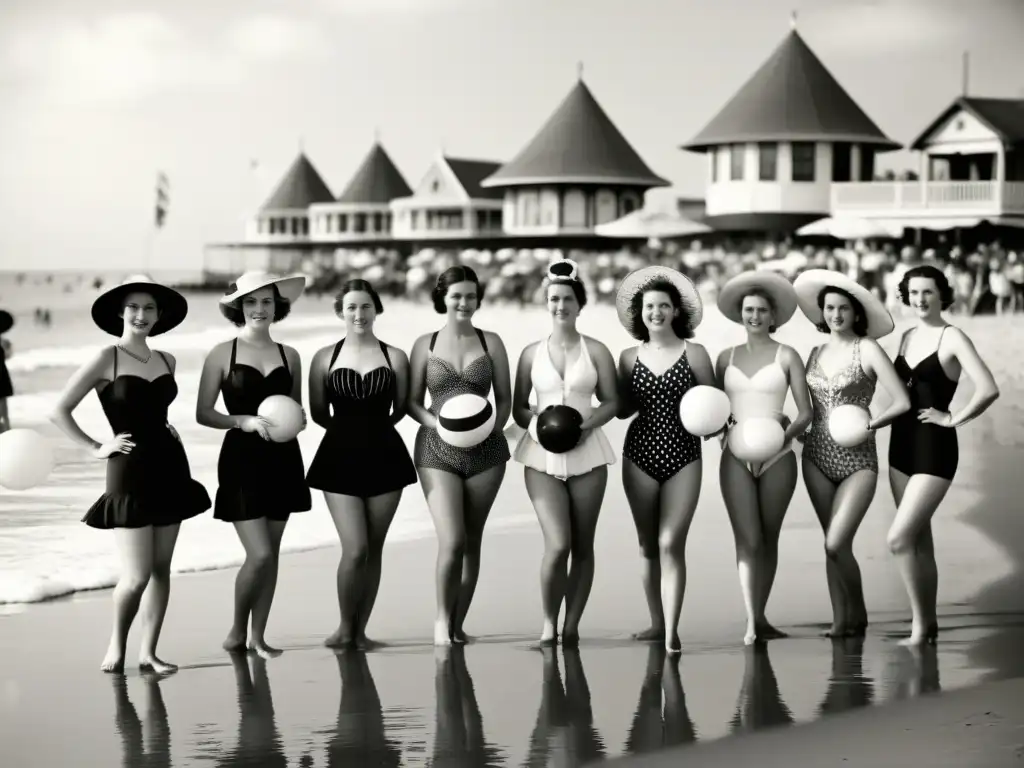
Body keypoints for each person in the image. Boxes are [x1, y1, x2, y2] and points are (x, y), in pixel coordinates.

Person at [49, 275, 210, 673]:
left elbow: (157, 410)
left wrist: (165, 427)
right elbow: (58, 411)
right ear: (120, 312)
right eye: (134, 307)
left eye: (149, 308)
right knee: (136, 575)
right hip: (128, 468)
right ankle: (116, 646)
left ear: (159, 315)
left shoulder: (167, 359)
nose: (141, 315)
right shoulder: (108, 356)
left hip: (170, 464)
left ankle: (149, 652)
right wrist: (96, 448)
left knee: (160, 571)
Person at [196, 271, 312, 658]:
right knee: (259, 554)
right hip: (241, 459)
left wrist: (299, 419)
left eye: (266, 302)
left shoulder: (289, 355)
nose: (259, 309)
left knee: (272, 555)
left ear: (277, 307)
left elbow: (296, 411)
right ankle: (235, 632)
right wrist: (240, 421)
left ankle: (258, 636)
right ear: (238, 307)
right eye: (250, 302)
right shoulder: (221, 353)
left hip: (283, 458)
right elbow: (203, 413)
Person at [793, 269, 911, 638]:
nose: (836, 315)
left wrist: (871, 425)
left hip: (859, 460)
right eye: (829, 308)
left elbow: (902, 401)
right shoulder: (814, 351)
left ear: (856, 313)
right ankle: (840, 618)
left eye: (843, 308)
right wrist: (792, 432)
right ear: (821, 312)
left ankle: (857, 610)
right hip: (815, 456)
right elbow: (808, 410)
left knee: (836, 542)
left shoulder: (869, 348)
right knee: (831, 543)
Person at [887, 264, 1000, 645]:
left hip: (935, 447)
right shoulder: (904, 337)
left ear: (941, 295)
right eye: (914, 292)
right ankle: (926, 624)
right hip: (899, 446)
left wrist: (952, 418)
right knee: (919, 539)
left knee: (898, 539)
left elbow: (987, 388)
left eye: (928, 292)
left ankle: (920, 628)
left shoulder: (953, 337)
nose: (920, 299)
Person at [512, 259, 618, 646]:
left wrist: (583, 426)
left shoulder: (598, 351)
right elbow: (519, 407)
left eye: (568, 298)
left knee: (583, 545)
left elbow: (612, 401)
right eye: (554, 298)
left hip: (588, 453)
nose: (561, 305)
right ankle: (547, 623)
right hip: (541, 458)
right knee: (558, 544)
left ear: (580, 303)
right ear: (546, 303)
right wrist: (537, 424)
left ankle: (571, 625)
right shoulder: (529, 353)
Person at [306, 279, 416, 649]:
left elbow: (400, 408)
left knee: (374, 548)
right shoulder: (324, 357)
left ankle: (361, 630)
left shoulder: (395, 356)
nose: (359, 314)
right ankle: (343, 627)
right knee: (355, 548)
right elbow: (319, 412)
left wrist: (373, 433)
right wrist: (351, 434)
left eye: (366, 306)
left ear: (376, 309)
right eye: (351, 307)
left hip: (386, 455)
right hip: (338, 457)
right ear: (341, 311)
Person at [408, 265, 512, 646]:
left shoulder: (492, 342)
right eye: (456, 296)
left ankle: (457, 623)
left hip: (487, 451)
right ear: (443, 298)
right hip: (436, 449)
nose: (464, 303)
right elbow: (410, 403)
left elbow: (505, 401)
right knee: (451, 540)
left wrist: (489, 428)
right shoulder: (425, 344)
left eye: (470, 295)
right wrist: (438, 425)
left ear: (478, 298)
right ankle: (440, 622)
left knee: (472, 541)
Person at [615, 266, 716, 654]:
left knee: (671, 541)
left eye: (663, 305)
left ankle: (672, 630)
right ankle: (656, 623)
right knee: (647, 545)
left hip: (685, 453)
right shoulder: (627, 357)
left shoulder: (697, 353)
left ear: (677, 311)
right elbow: (621, 410)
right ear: (639, 314)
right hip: (638, 453)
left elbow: (713, 405)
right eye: (649, 306)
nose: (656, 312)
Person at [714, 271, 813, 645]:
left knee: (769, 538)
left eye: (761, 310)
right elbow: (714, 408)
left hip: (780, 454)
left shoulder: (788, 355)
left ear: (774, 316)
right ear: (740, 315)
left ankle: (760, 616)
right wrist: (718, 429)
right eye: (748, 310)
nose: (753, 316)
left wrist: (780, 437)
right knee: (748, 538)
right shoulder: (725, 358)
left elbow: (805, 413)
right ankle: (751, 621)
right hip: (735, 454)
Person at [0, 309, 14, 433]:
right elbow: (8, 356)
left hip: (2, 375)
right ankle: (6, 426)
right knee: (3, 402)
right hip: (2, 375)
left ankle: (6, 426)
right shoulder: (4, 343)